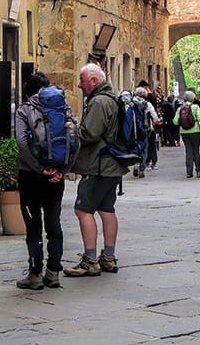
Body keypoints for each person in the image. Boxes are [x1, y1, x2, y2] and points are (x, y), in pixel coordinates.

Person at [13, 72, 71, 290]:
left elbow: (21, 141)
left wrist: (38, 168)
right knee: (54, 221)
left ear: (29, 89)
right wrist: (61, 170)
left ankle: (35, 273)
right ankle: (54, 271)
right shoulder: (63, 107)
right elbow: (74, 140)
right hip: (55, 177)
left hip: (30, 175)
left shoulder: (24, 110)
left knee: (33, 224)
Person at [65, 63, 124, 276]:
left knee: (83, 209)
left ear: (94, 81)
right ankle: (108, 257)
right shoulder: (111, 99)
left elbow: (90, 134)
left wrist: (72, 130)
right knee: (107, 209)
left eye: (82, 80)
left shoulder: (99, 102)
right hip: (111, 165)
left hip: (98, 165)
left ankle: (90, 260)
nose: (79, 85)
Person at [174, 90, 200, 178]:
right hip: (195, 131)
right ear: (193, 98)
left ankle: (189, 172)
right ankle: (198, 171)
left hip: (184, 132)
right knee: (196, 151)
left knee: (188, 150)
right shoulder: (195, 107)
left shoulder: (180, 108)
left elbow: (175, 121)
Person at [134, 87, 161, 175]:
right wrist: (156, 121)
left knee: (135, 147)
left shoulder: (131, 102)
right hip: (145, 129)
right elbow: (155, 117)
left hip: (133, 130)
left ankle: (135, 163)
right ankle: (141, 168)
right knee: (145, 148)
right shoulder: (147, 104)